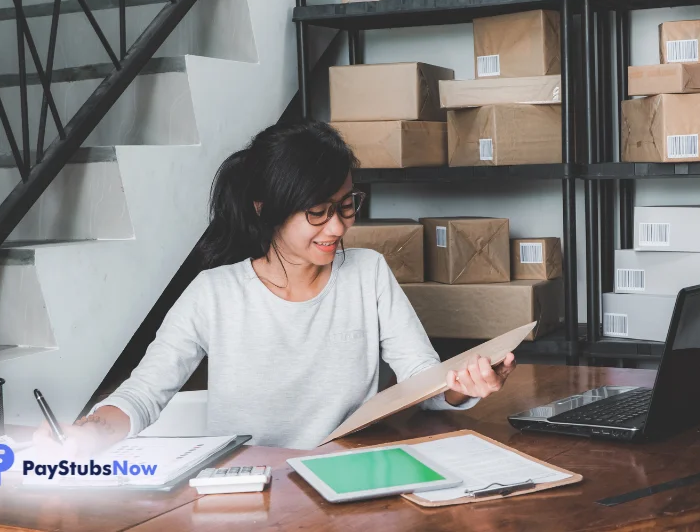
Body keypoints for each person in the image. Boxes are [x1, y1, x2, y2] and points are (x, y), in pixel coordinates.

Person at [34, 121, 517, 453]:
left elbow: (424, 384)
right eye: (317, 212)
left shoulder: (368, 273)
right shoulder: (213, 293)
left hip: (346, 472)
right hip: (248, 487)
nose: (337, 228)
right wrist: (89, 432)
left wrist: (461, 388)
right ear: (265, 207)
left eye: (346, 205)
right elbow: (143, 394)